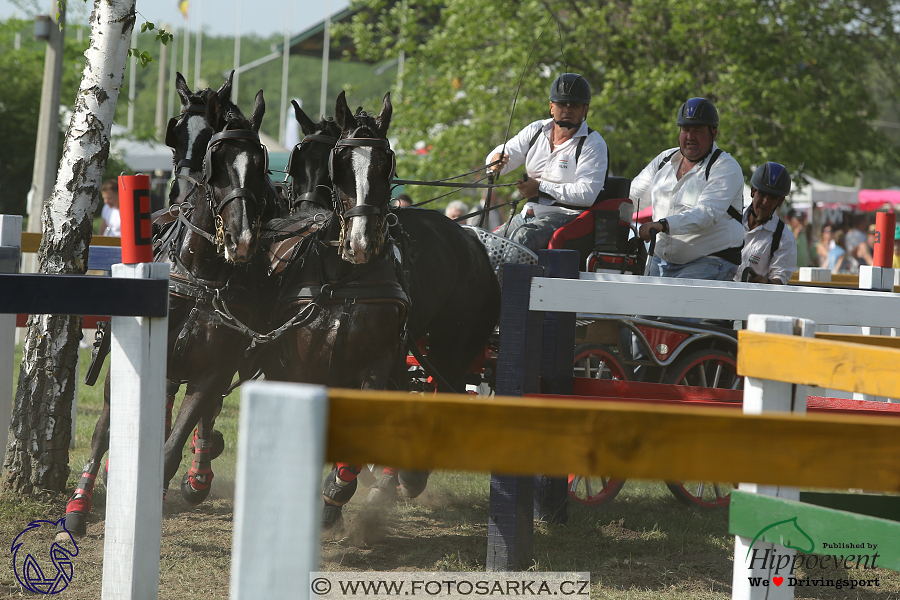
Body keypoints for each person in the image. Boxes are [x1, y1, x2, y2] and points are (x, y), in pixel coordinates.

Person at [485, 73, 609, 253]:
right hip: (527, 216)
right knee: (489, 244)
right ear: (552, 107)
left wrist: (540, 188)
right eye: (561, 104)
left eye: (574, 105)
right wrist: (495, 160)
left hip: (568, 219)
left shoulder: (593, 144)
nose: (567, 109)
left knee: (522, 239)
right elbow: (506, 154)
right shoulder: (536, 130)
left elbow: (586, 194)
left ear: (585, 109)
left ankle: (511, 282)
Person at [632, 97, 744, 281]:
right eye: (685, 129)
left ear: (713, 134)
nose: (690, 136)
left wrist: (663, 224)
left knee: (679, 309)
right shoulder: (665, 160)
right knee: (643, 310)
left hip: (708, 261)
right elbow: (633, 196)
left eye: (698, 130)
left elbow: (706, 213)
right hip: (659, 261)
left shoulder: (725, 166)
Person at [735, 162, 798, 284]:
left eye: (773, 198)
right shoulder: (730, 219)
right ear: (753, 191)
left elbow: (780, 279)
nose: (765, 202)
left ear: (780, 202)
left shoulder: (784, 238)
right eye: (762, 194)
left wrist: (766, 282)